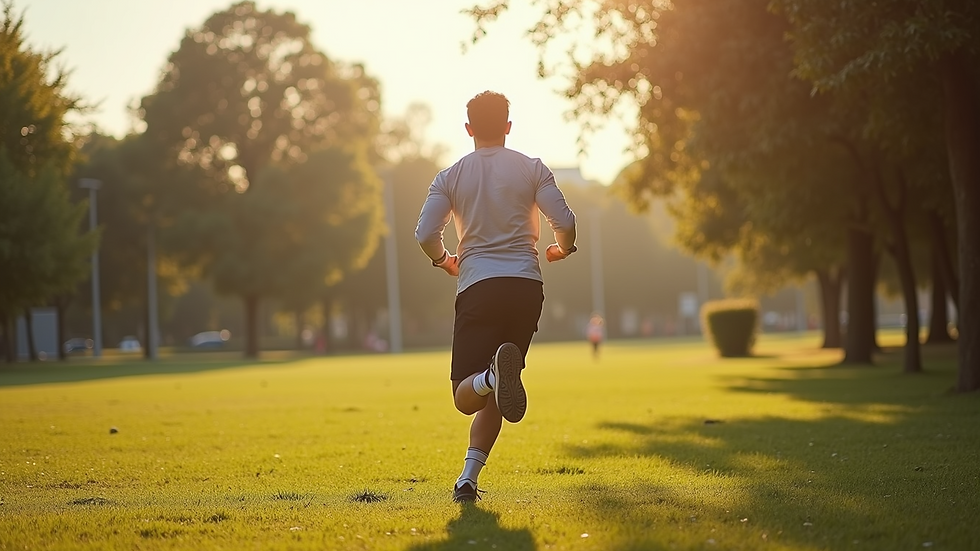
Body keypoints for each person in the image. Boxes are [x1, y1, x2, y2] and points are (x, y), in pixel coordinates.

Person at [415, 91, 577, 503]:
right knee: (499, 388)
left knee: (466, 395)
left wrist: (444, 260)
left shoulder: (450, 176)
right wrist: (561, 248)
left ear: (468, 129)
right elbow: (565, 221)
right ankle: (467, 478)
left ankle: (489, 375)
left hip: (478, 287)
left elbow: (424, 235)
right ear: (508, 126)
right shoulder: (532, 168)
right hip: (526, 288)